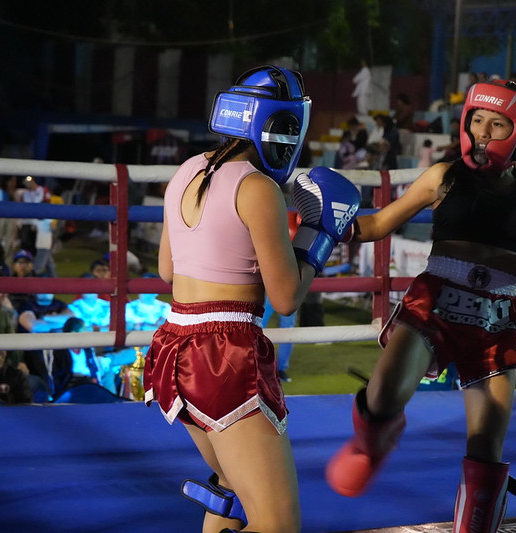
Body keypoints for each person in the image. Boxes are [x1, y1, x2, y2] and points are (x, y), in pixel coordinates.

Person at [324, 79, 516, 532]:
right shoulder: (442, 176)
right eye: (477, 120)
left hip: (495, 317)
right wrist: (325, 226)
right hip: (436, 303)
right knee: (382, 397)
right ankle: (371, 442)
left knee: (485, 449)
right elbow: (380, 222)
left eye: (496, 123)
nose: (482, 131)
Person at [142, 65, 360, 533]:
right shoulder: (259, 189)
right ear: (278, 125)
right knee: (277, 524)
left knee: (229, 492)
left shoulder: (185, 171)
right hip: (224, 350)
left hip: (174, 343)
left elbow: (166, 271)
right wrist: (320, 238)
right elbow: (285, 298)